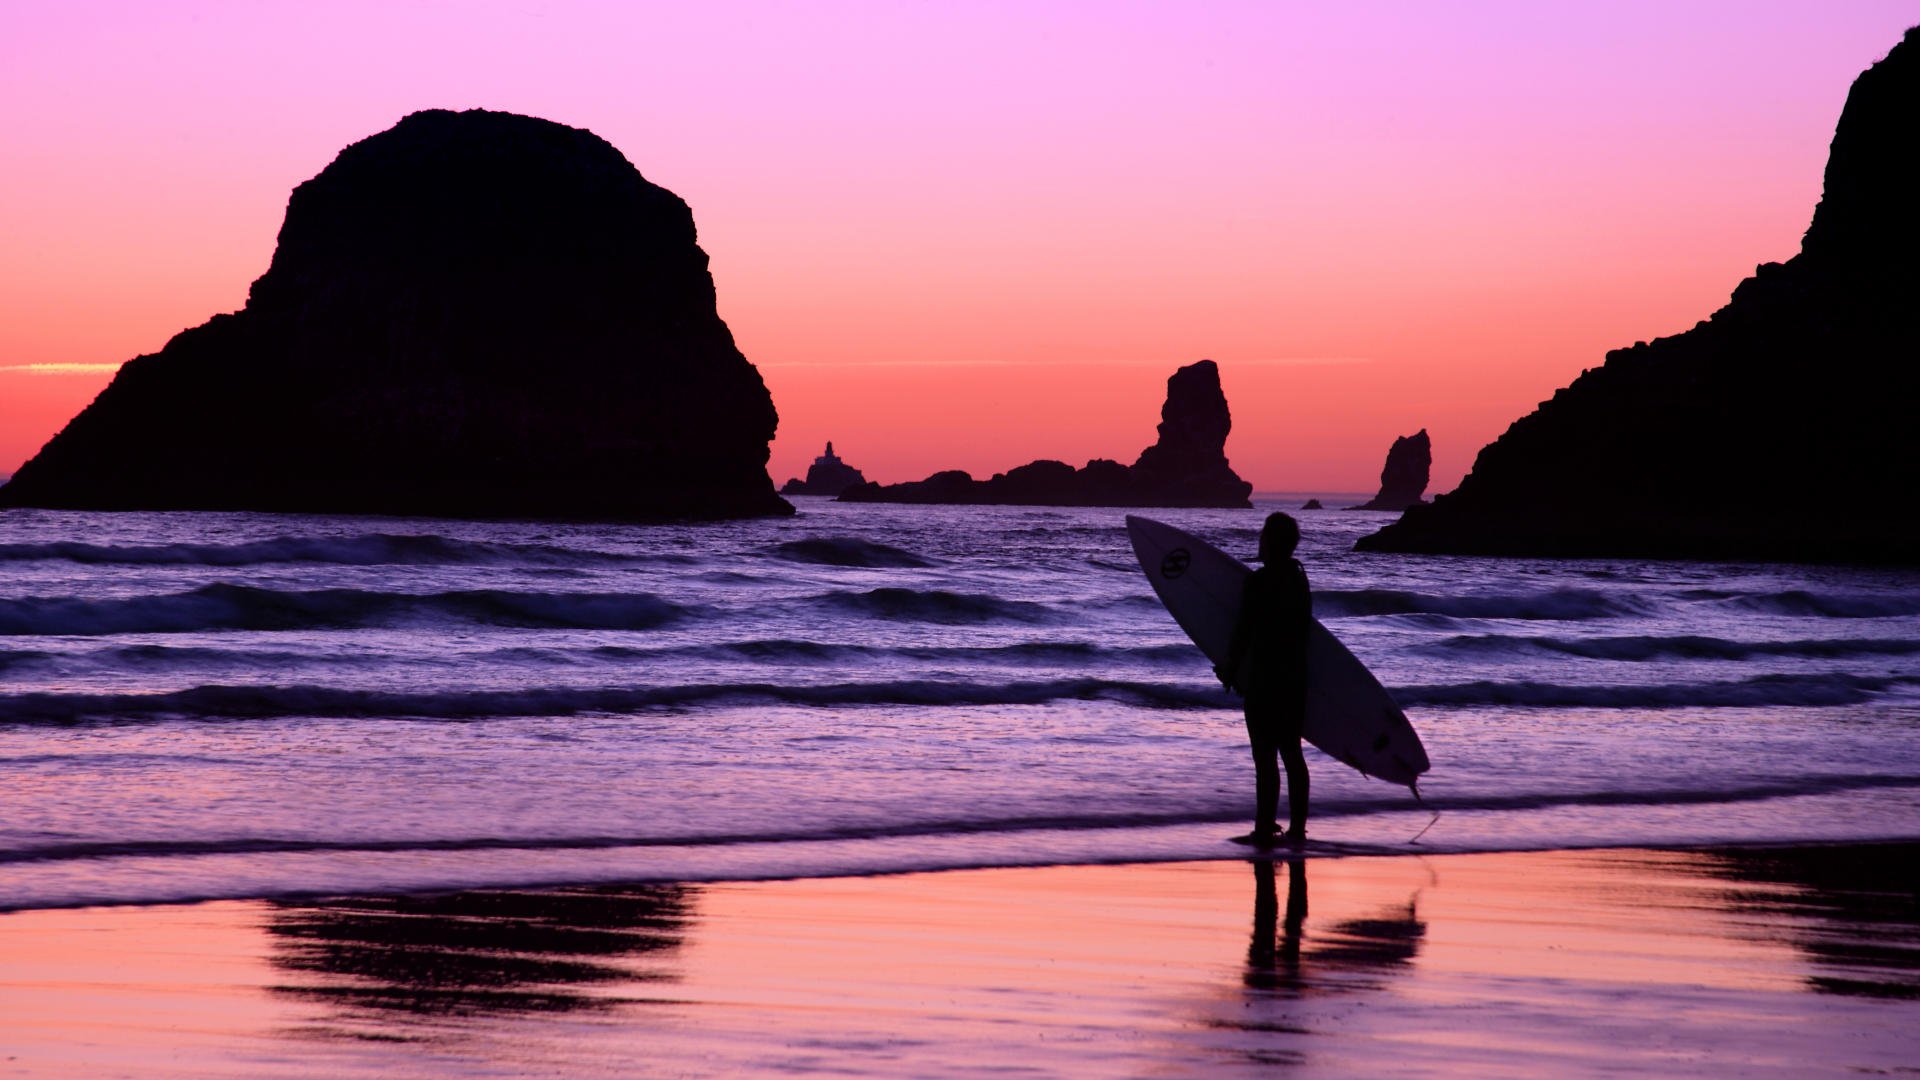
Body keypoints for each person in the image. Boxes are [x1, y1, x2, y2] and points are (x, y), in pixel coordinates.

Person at [1217, 512, 1311, 848]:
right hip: (1296, 677)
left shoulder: (1259, 582)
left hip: (1266, 678)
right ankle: (1298, 829)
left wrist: (1230, 667)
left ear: (1268, 541)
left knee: (1265, 757)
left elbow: (1245, 631)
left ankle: (1263, 825)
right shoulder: (1299, 580)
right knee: (1292, 754)